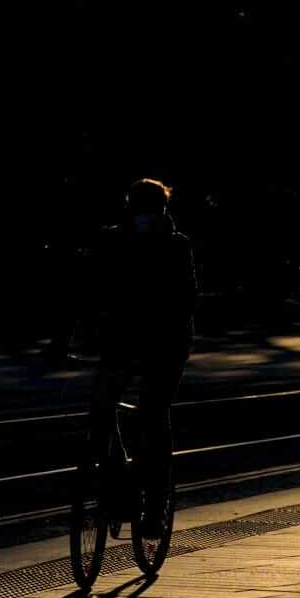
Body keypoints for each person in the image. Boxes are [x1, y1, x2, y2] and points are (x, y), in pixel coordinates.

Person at [86, 178, 197, 538]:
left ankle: (154, 503)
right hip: (134, 340)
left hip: (162, 343)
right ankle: (125, 482)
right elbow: (89, 291)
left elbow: (184, 300)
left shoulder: (174, 246)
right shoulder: (122, 242)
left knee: (145, 410)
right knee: (131, 410)